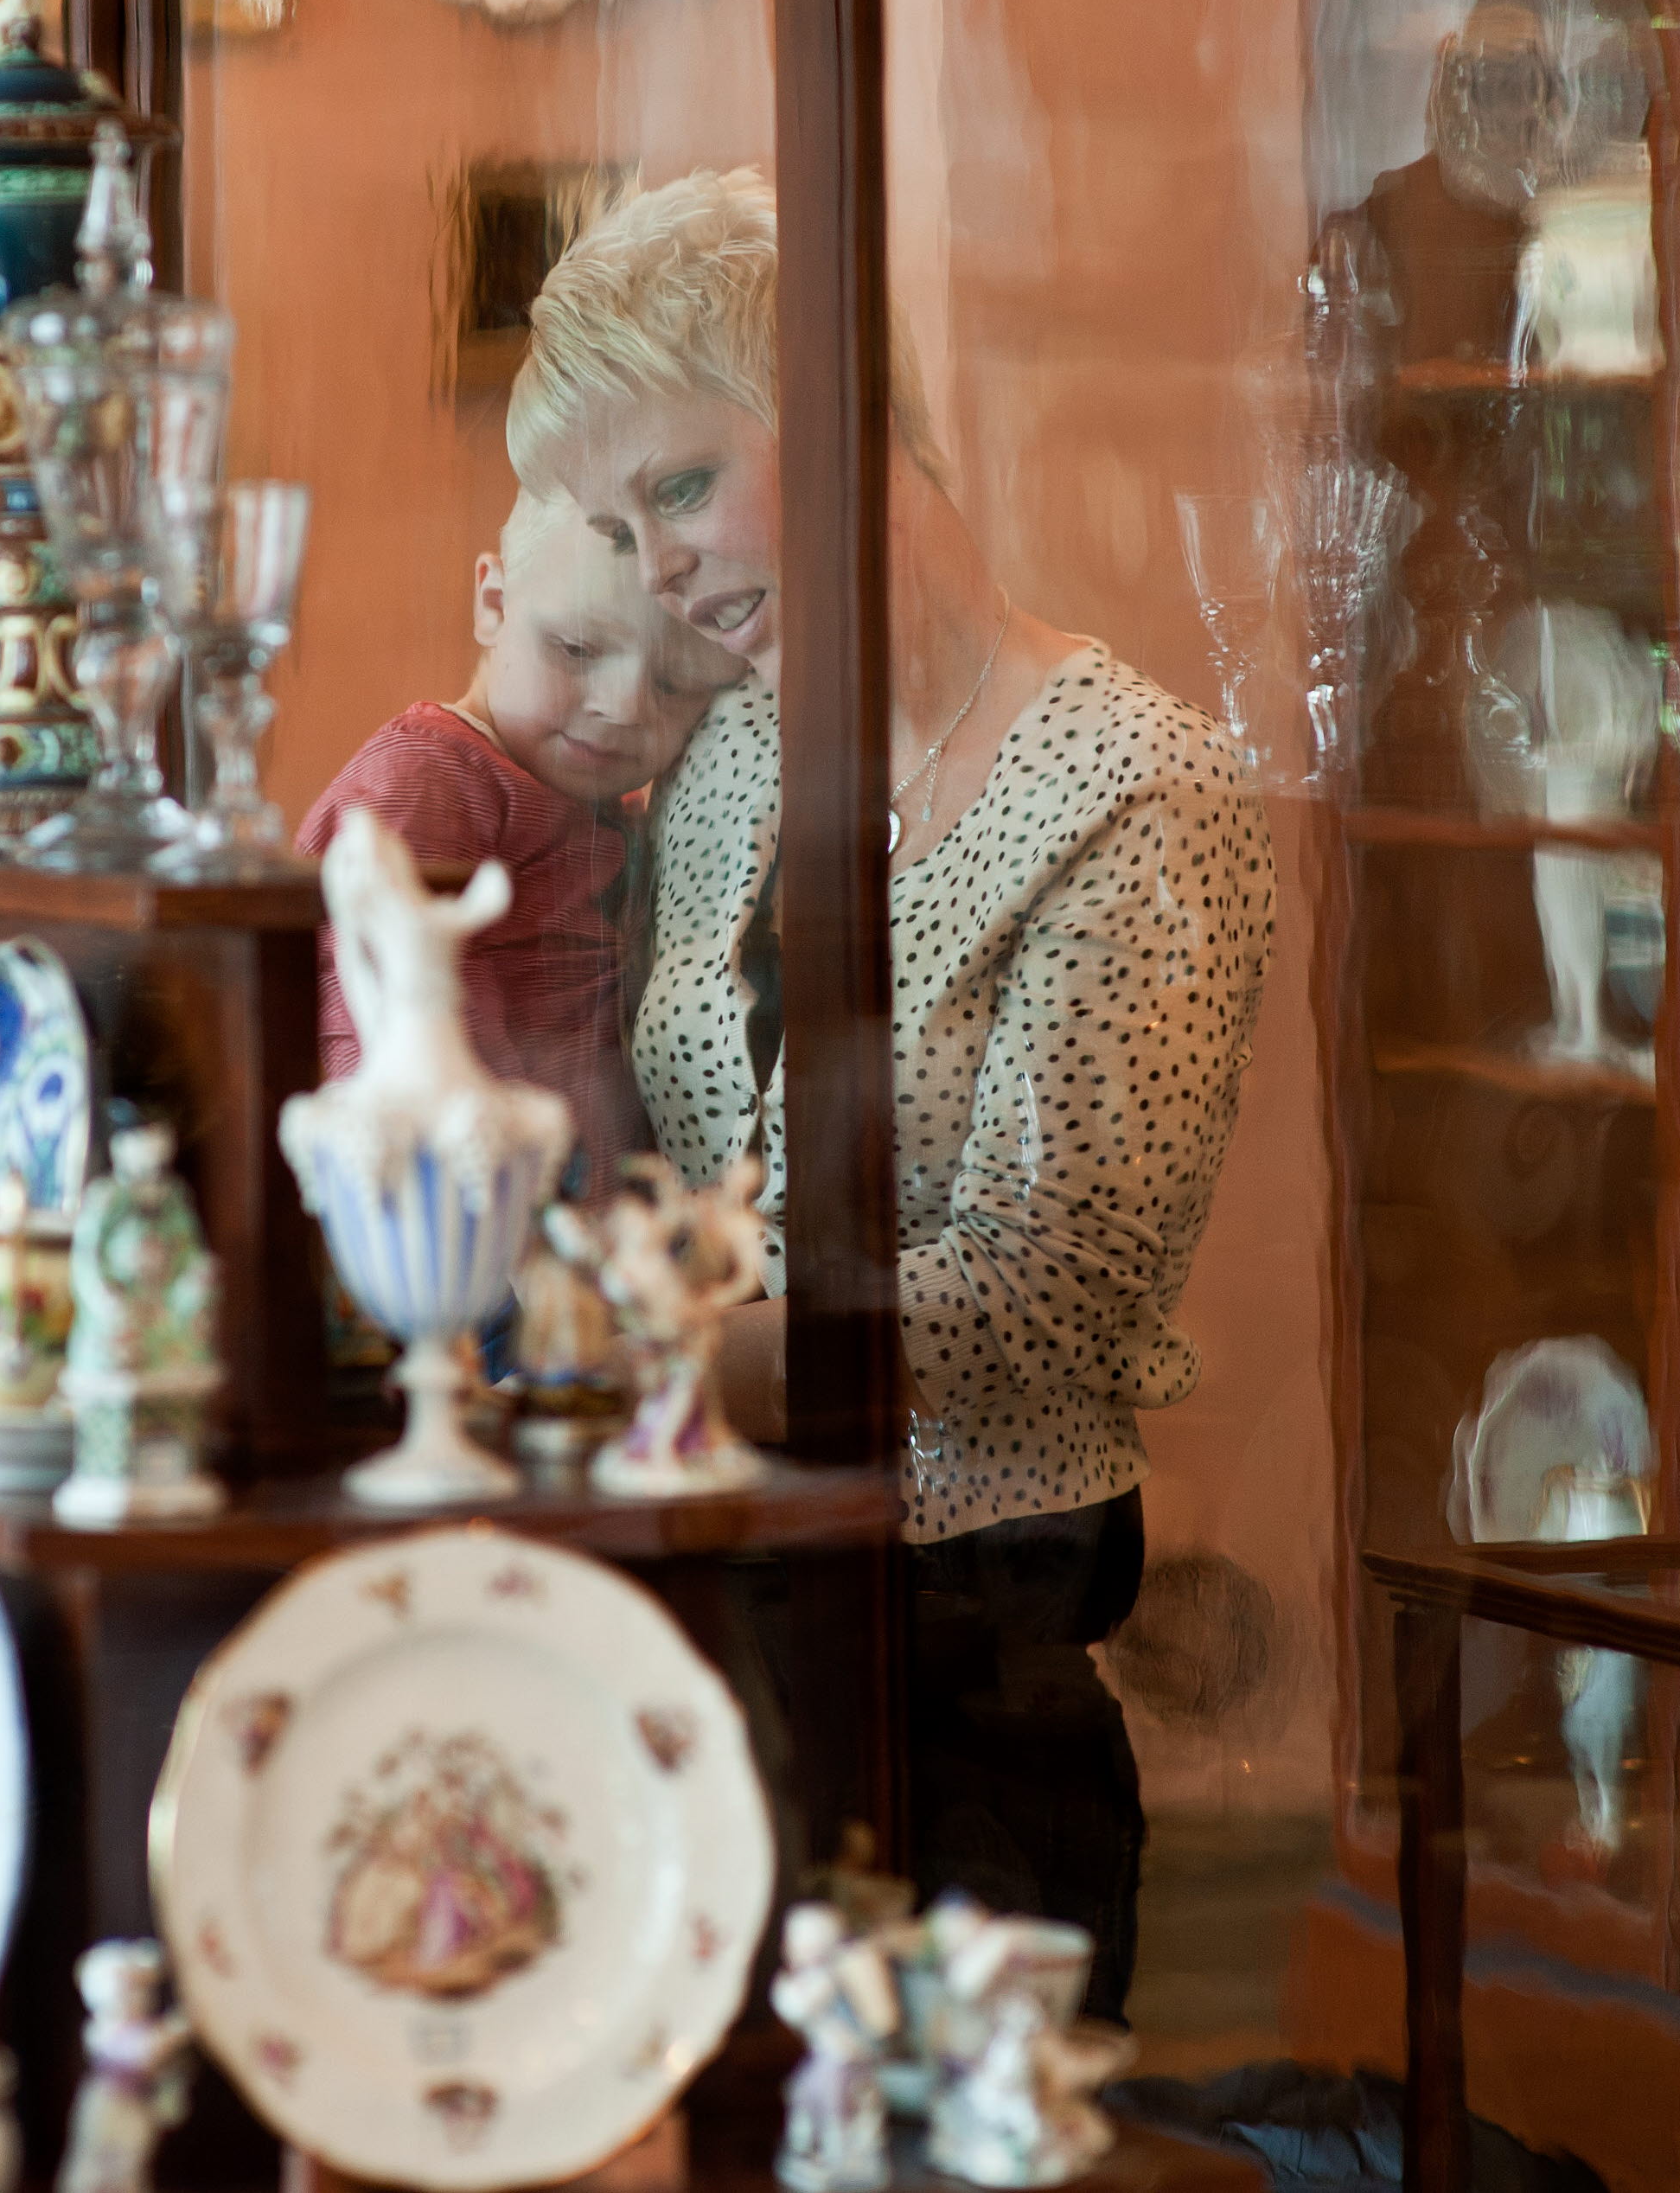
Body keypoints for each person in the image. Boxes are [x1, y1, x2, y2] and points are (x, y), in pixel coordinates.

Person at [506, 167, 1276, 2020]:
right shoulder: (725, 761)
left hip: (964, 1696)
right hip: (708, 1635)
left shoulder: (1137, 790)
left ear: (850, 415)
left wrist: (628, 1355)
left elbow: (1039, 1303)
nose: (660, 561)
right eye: (621, 518)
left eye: (678, 485)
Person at [295, 488, 730, 1182]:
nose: (620, 707)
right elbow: (389, 1012)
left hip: (598, 1219)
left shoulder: (601, 800)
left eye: (676, 685)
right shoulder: (427, 777)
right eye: (576, 649)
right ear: (493, 604)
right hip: (471, 1201)